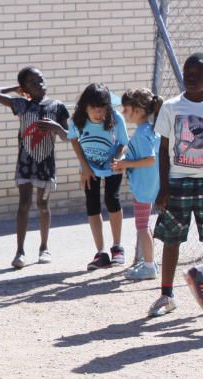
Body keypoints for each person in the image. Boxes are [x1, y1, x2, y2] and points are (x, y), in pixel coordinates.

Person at [0, 67, 69, 269]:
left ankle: (44, 247)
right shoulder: (22, 105)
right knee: (23, 205)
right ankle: (20, 251)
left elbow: (69, 135)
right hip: (25, 163)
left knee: (43, 205)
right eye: (32, 83)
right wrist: (16, 88)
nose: (39, 84)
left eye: (41, 79)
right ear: (25, 89)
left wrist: (57, 128)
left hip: (45, 164)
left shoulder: (57, 107)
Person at [149, 53, 203, 316]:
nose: (191, 78)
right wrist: (164, 186)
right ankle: (166, 295)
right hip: (178, 182)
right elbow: (163, 149)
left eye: (197, 74)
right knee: (171, 240)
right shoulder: (171, 107)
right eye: (187, 74)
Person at [67, 83, 128, 271]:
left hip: (112, 167)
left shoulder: (115, 118)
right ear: (85, 105)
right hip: (89, 168)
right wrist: (84, 166)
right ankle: (100, 253)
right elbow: (74, 140)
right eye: (94, 108)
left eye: (102, 109)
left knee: (112, 200)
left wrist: (117, 159)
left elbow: (123, 143)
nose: (98, 113)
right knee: (92, 205)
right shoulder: (78, 120)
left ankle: (117, 247)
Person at [111, 89, 163, 280]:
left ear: (139, 110)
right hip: (149, 185)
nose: (123, 113)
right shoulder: (151, 129)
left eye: (126, 109)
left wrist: (125, 164)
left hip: (144, 187)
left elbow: (149, 158)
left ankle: (149, 267)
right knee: (145, 225)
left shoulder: (142, 133)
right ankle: (150, 262)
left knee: (142, 226)